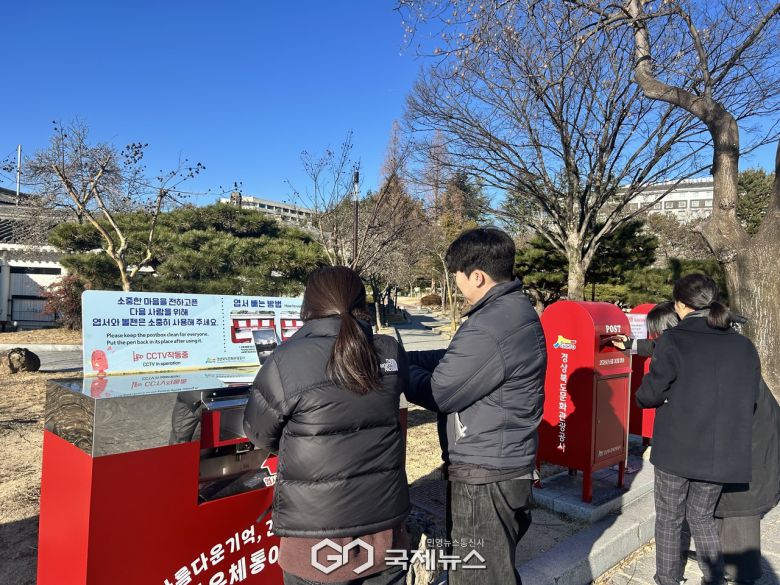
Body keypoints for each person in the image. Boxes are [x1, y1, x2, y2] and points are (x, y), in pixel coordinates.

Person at [243, 266, 410, 585]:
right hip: (386, 534)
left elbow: (258, 433)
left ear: (309, 307)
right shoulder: (389, 351)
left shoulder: (286, 360)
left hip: (314, 543)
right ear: (362, 304)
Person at [405, 227, 547, 585]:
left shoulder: (490, 325)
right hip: (505, 463)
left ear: (478, 276)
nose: (458, 288)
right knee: (492, 568)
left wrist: (397, 370)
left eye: (457, 279)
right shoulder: (512, 311)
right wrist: (405, 356)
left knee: (478, 575)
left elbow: (441, 393)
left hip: (486, 473)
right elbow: (456, 359)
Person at [636, 274, 760, 585]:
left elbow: (648, 395)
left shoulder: (674, 340)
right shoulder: (743, 346)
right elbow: (752, 400)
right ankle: (714, 578)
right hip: (720, 454)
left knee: (669, 519)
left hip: (676, 450)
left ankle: (667, 579)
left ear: (679, 304)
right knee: (701, 517)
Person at [714, 376, 780, 584]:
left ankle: (737, 570)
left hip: (750, 462)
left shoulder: (735, 378)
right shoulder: (742, 367)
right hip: (756, 459)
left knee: (738, 511)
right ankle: (730, 564)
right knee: (737, 511)